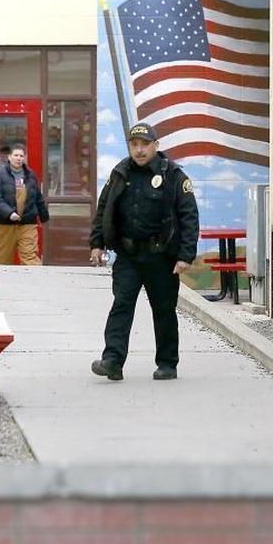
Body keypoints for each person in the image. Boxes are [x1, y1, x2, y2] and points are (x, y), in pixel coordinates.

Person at [89, 122, 199, 381]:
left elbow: (189, 217)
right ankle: (112, 361)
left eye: (144, 145)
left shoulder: (173, 175)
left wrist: (185, 256)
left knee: (163, 310)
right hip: (128, 255)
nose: (139, 150)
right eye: (134, 145)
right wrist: (97, 243)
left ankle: (167, 363)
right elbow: (104, 209)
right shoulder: (120, 172)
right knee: (121, 305)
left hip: (161, 257)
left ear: (155, 145)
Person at [0, 143, 49, 265]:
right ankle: (4, 283)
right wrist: (9, 213)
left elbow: (38, 198)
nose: (19, 158)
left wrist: (44, 218)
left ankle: (35, 282)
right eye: (16, 155)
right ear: (9, 157)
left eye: (21, 156)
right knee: (3, 259)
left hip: (27, 223)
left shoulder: (31, 175)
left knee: (30, 257)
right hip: (5, 225)